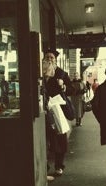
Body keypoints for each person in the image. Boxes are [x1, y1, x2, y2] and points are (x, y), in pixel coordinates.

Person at [42, 49, 73, 177]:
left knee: (60, 138)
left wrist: (64, 87)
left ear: (55, 60)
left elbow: (71, 89)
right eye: (47, 57)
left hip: (57, 110)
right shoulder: (39, 73)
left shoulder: (61, 73)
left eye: (52, 58)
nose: (49, 59)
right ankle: (45, 166)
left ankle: (59, 165)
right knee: (44, 139)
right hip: (43, 110)